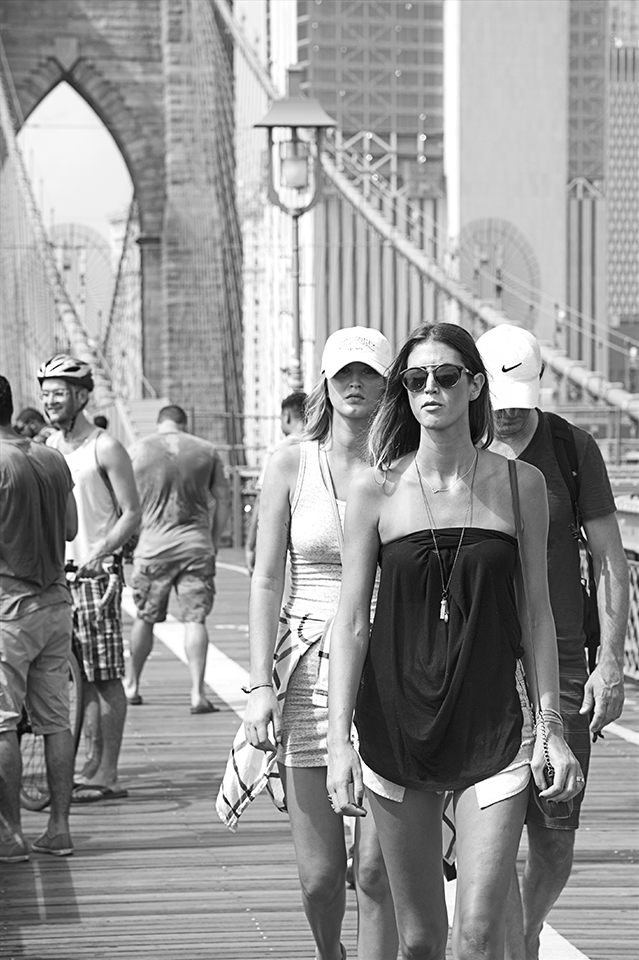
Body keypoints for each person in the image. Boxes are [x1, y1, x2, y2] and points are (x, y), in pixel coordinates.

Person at [326, 322, 584, 960]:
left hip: (495, 722)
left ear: (475, 384)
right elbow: (352, 621)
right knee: (418, 941)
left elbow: (537, 614)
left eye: (445, 376)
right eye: (415, 380)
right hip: (395, 722)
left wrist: (551, 725)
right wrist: (337, 744)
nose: (429, 390)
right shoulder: (374, 488)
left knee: (475, 931)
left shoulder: (521, 485)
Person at [218, 327, 398, 960]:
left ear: (388, 383)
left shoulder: (406, 465)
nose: (356, 384)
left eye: (369, 373)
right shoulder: (290, 461)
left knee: (377, 873)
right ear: (325, 382)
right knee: (321, 878)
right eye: (343, 373)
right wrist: (260, 686)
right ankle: (331, 953)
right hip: (306, 675)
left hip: (392, 668)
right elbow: (265, 578)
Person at [476, 323, 629, 960]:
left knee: (555, 834)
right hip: (478, 662)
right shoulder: (456, 446)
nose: (508, 419)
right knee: (491, 832)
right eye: (498, 404)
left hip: (564, 659)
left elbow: (611, 560)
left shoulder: (571, 447)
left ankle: (529, 925)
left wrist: (612, 663)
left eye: (519, 405)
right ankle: (511, 944)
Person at [40, 354, 141, 803]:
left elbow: (131, 512)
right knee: (70, 677)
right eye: (45, 394)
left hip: (95, 577)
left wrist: (100, 553)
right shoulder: (46, 446)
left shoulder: (105, 446)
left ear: (81, 397)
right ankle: (89, 764)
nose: (50, 402)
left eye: (58, 393)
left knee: (104, 677)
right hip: (55, 579)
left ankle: (108, 772)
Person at [0, 375, 78, 860]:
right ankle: (59, 828)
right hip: (56, 603)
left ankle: (10, 836)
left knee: (3, 723)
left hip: (8, 607)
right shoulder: (51, 455)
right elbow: (70, 529)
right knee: (55, 722)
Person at [123, 404, 231, 713]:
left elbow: (124, 504)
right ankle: (197, 693)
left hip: (152, 548)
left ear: (159, 424)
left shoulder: (136, 451)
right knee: (195, 619)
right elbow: (223, 500)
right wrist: (212, 540)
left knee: (144, 618)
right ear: (184, 424)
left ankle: (132, 684)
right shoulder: (206, 450)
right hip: (195, 545)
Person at [245, 391, 306, 575]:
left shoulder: (278, 452)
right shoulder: (326, 447)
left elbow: (262, 501)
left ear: (286, 416)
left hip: (284, 547)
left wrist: (250, 545)